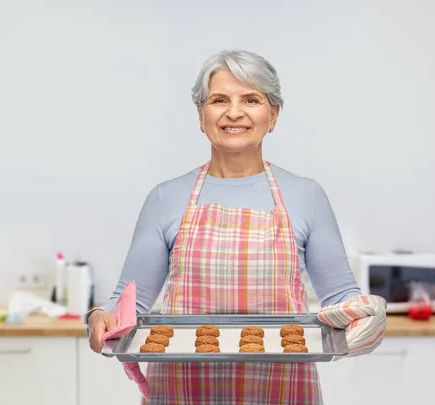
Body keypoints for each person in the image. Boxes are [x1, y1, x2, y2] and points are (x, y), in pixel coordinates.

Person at [86, 49, 387, 404]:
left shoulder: (307, 195)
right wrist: (99, 316)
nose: (234, 112)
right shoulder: (165, 198)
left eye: (251, 99)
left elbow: (340, 299)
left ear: (273, 115)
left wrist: (366, 314)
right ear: (201, 115)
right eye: (218, 100)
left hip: (283, 389)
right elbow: (127, 306)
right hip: (183, 390)